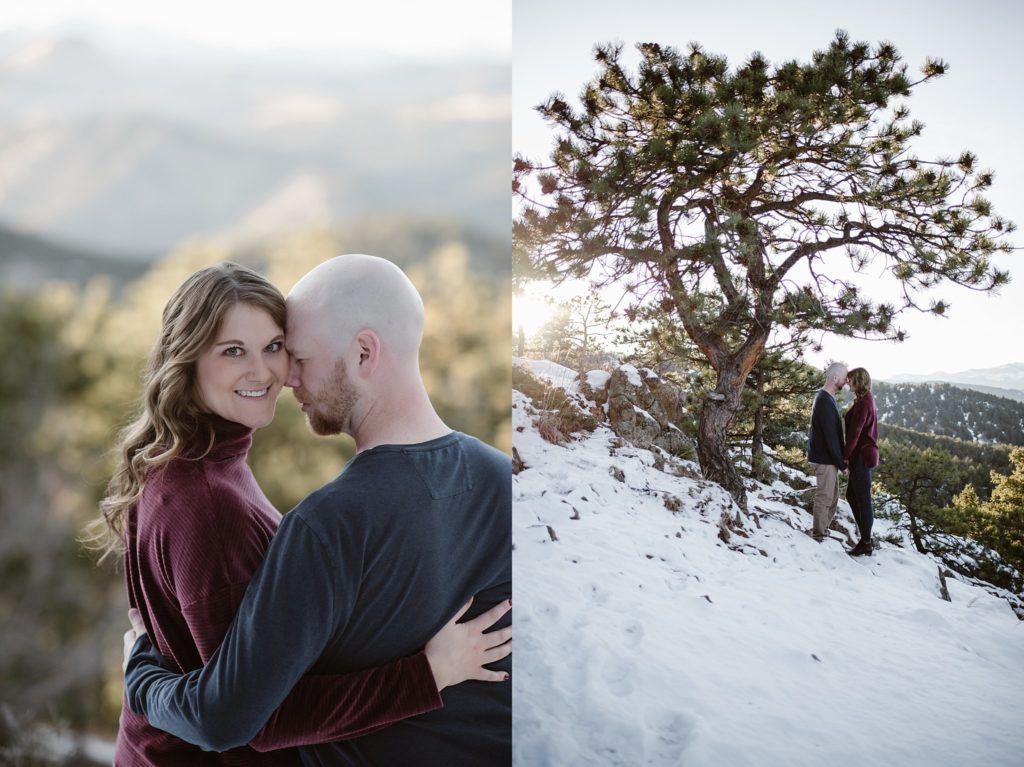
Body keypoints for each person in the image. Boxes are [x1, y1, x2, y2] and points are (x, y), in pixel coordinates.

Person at [87, 262, 511, 766]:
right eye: (232, 351)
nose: (282, 375)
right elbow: (241, 717)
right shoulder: (497, 474)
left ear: (364, 352)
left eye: (282, 350)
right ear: (187, 360)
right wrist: (427, 675)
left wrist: (142, 678)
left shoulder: (221, 478)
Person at [807, 361, 848, 541]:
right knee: (824, 496)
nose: (846, 382)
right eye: (844, 378)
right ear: (835, 378)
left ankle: (823, 529)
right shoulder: (824, 400)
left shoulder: (827, 398)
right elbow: (830, 437)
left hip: (828, 458)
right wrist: (842, 464)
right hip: (825, 459)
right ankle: (818, 533)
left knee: (833, 498)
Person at [843, 367, 879, 556]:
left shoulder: (864, 403)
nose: (847, 383)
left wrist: (845, 456)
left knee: (863, 500)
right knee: (852, 496)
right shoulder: (866, 399)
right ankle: (866, 537)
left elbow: (855, 434)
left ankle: (866, 541)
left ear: (858, 381)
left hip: (862, 457)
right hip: (864, 455)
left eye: (850, 380)